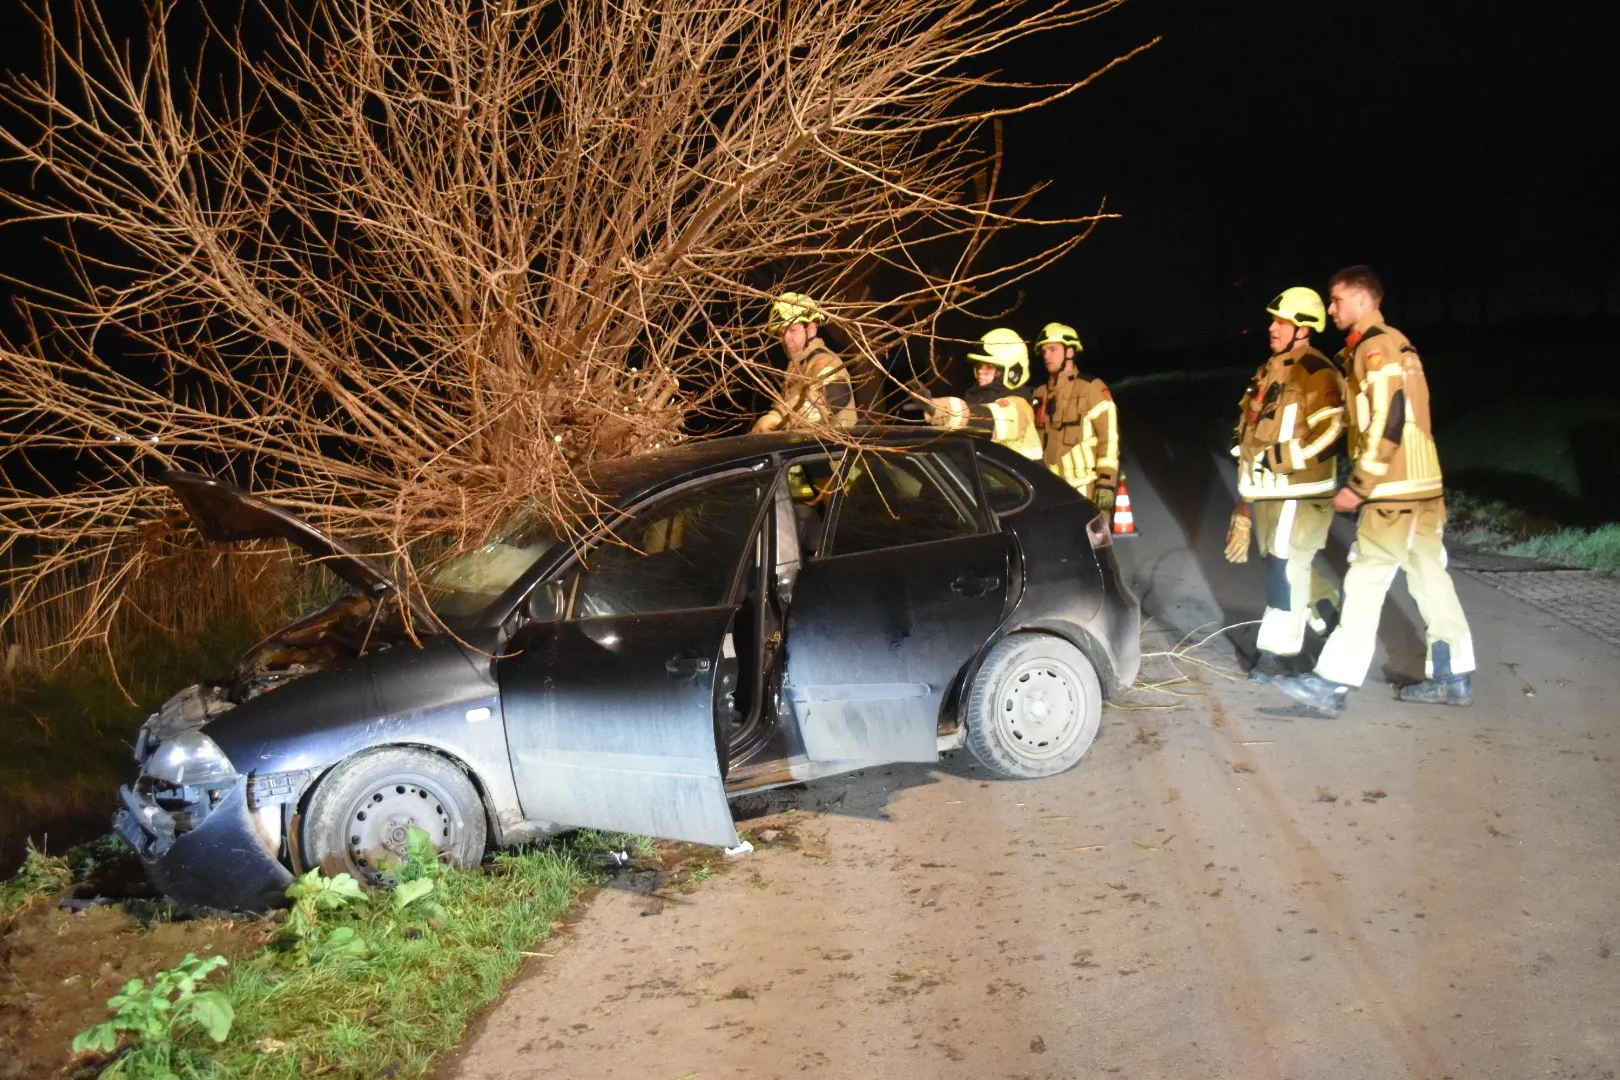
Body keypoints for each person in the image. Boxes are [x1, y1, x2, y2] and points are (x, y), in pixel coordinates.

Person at [1270, 266, 1474, 718]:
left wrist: (1360, 485)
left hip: (1393, 490)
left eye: (1337, 299)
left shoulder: (1375, 347)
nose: (1331, 308)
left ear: (1364, 299)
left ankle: (1332, 683)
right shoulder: (1398, 343)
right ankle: (1453, 676)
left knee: (1364, 581)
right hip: (1423, 487)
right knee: (1429, 578)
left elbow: (1389, 418)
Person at [1224, 287, 1345, 682]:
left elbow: (1333, 429)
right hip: (1269, 491)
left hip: (1300, 490)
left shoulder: (1316, 370)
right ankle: (1327, 610)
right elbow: (1254, 418)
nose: (1272, 327)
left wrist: (1282, 458)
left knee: (1284, 569)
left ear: (1304, 328)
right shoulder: (1270, 368)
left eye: (1281, 321)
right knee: (1288, 564)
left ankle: (1277, 653)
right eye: (1273, 320)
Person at [1031, 322, 1118, 517]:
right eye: (1043, 351)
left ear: (1070, 351)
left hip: (1085, 489)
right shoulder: (1040, 393)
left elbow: (1109, 439)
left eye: (1052, 349)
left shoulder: (1091, 388)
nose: (1046, 355)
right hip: (1051, 491)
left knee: (1091, 546)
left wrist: (1106, 483)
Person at [924, 328, 1042, 459]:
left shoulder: (1021, 406)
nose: (981, 371)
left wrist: (941, 408)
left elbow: (988, 417)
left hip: (1021, 478)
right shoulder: (976, 398)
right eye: (979, 365)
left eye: (989, 366)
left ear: (1012, 372)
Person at [751, 292, 856, 433]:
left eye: (793, 330)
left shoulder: (822, 361)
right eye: (781, 334)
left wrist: (781, 416)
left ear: (811, 330)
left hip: (834, 451)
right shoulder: (797, 368)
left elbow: (836, 396)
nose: (786, 339)